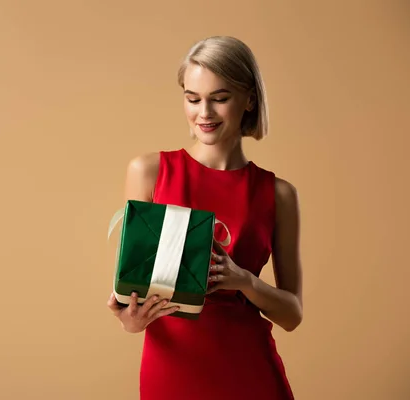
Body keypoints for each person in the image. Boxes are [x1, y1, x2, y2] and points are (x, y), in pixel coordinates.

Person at [107, 36, 303, 400]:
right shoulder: (149, 172)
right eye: (192, 98)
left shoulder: (279, 194)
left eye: (220, 98)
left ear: (249, 99)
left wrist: (244, 280)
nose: (204, 113)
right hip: (171, 369)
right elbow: (133, 290)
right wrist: (130, 319)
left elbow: (292, 314)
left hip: (249, 370)